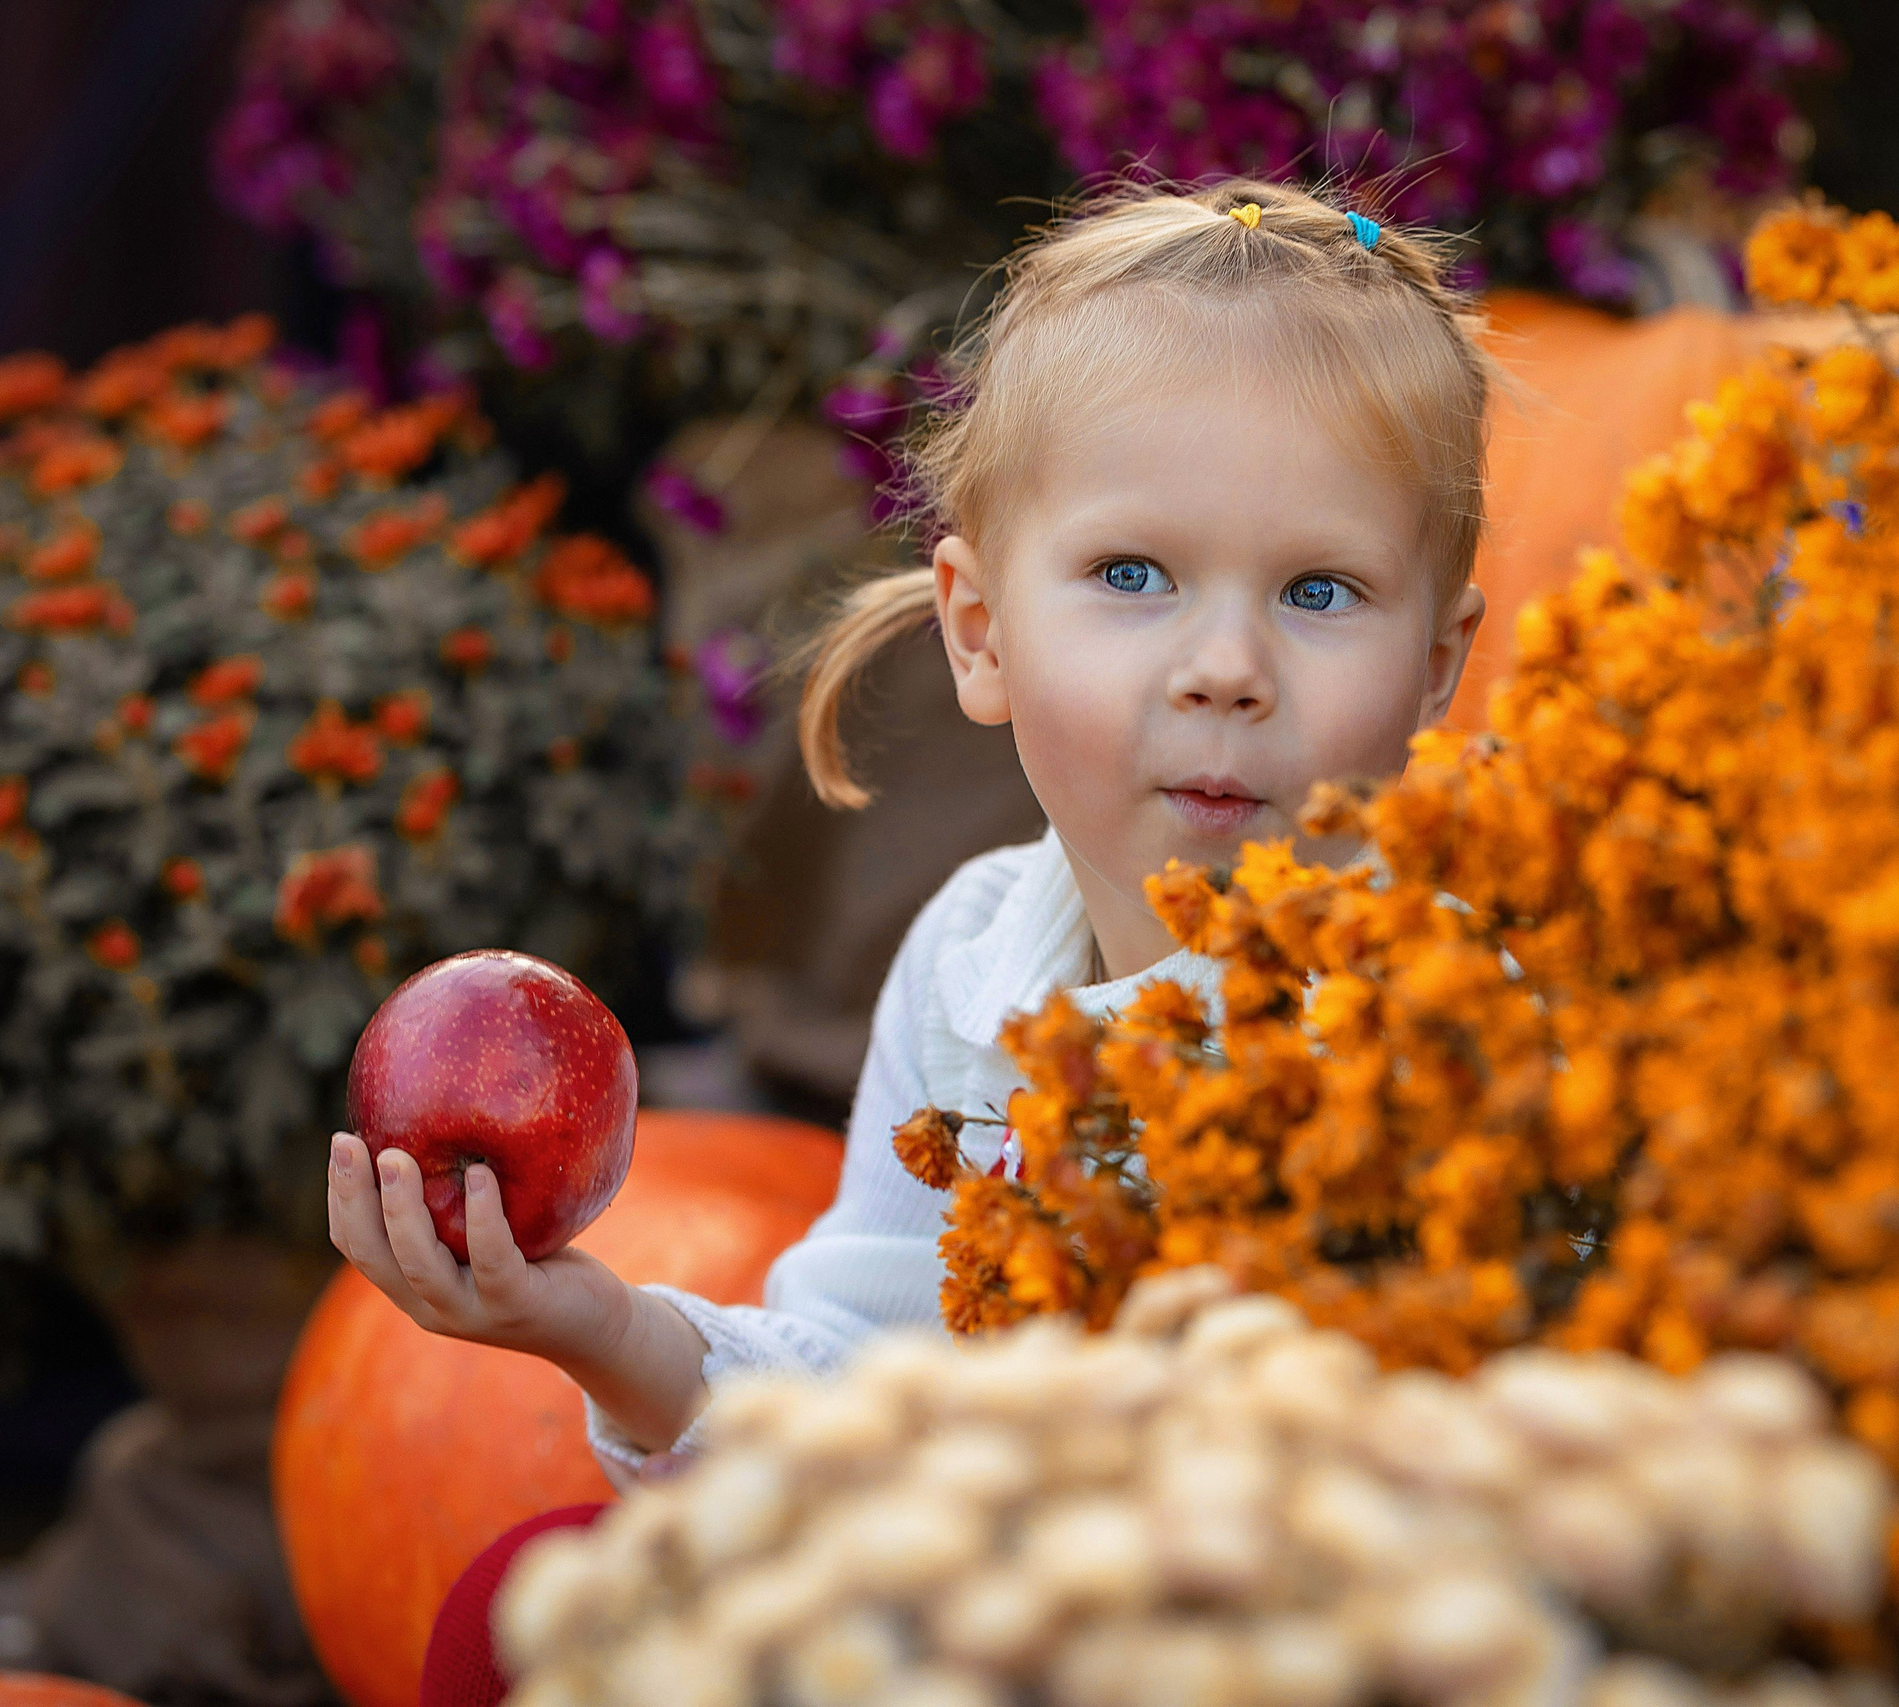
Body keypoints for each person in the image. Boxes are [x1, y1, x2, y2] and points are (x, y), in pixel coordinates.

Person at [322, 177, 1494, 1486]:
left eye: (1319, 590)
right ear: (981, 632)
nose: (1225, 665)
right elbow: (856, 1394)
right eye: (1133, 576)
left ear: (1437, 666)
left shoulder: (1429, 1013)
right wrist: (601, 1330)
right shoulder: (967, 968)